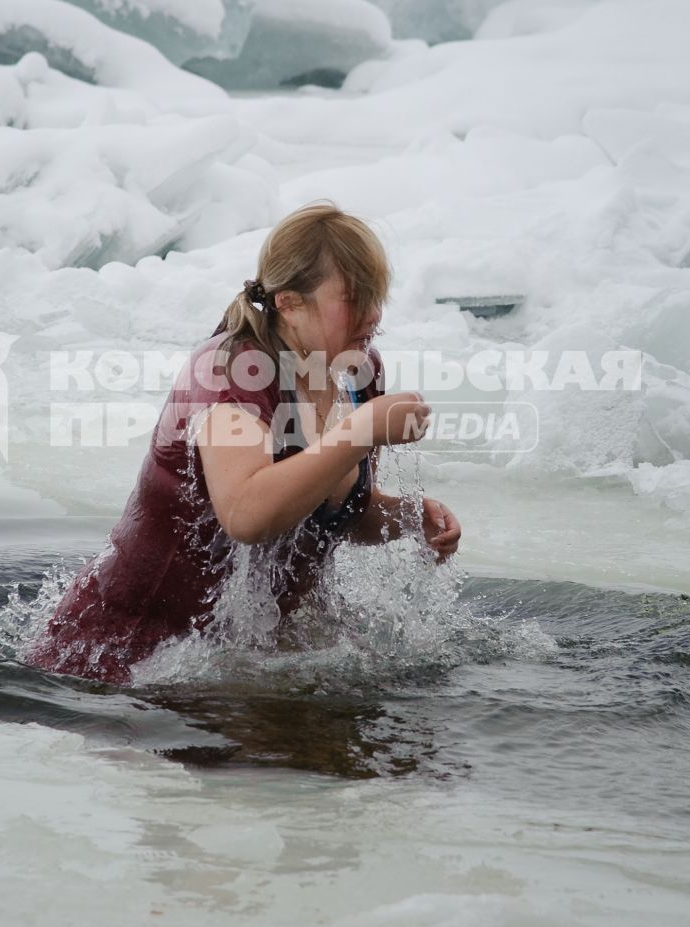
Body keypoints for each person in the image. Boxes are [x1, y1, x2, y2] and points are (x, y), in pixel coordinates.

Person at [24, 202, 462, 684]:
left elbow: (328, 505)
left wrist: (405, 516)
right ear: (288, 302)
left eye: (378, 295)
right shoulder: (233, 370)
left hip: (237, 658)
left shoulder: (358, 369)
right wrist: (362, 431)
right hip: (125, 664)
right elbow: (248, 514)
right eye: (355, 297)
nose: (375, 313)